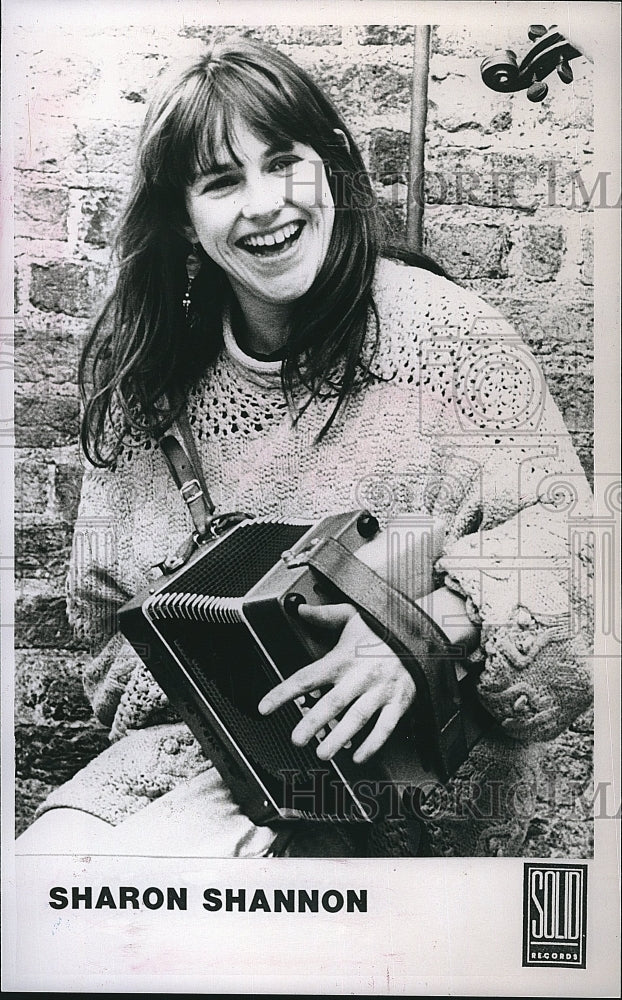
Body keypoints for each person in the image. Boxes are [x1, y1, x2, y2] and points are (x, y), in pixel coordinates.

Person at [17, 37, 593, 858]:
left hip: (405, 787)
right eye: (222, 182)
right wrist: (219, 667)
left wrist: (419, 631)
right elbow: (106, 627)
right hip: (195, 769)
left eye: (283, 162)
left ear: (330, 169)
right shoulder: (153, 378)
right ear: (185, 219)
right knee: (48, 881)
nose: (264, 205)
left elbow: (577, 550)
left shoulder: (451, 342)